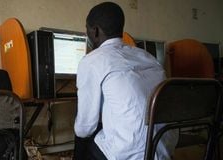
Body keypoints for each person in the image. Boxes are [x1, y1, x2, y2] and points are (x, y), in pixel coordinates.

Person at [74, 2, 178, 160]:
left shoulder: (92, 60)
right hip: (163, 148)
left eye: (87, 29)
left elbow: (85, 128)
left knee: (82, 133)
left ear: (94, 31)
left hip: (128, 154)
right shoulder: (148, 57)